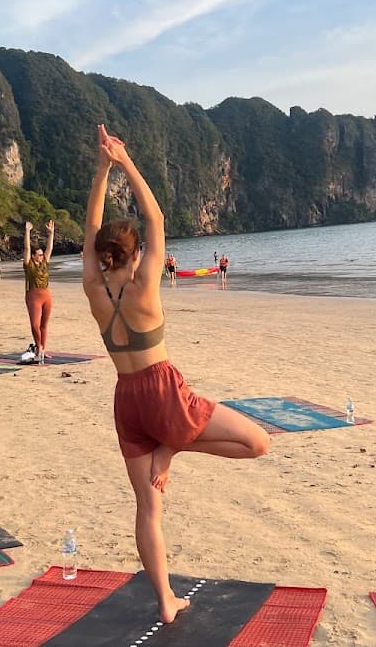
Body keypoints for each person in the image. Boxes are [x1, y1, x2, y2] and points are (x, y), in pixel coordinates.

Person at [82, 124, 270, 624]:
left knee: (148, 508)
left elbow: (91, 228)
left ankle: (165, 602)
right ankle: (175, 445)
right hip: (163, 391)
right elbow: (156, 215)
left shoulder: (93, 288)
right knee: (258, 443)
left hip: (126, 398)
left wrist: (102, 170)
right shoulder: (145, 285)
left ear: (103, 255)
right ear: (138, 254)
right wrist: (124, 162)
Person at [23, 220, 55, 364]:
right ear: (34, 256)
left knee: (44, 325)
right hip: (33, 295)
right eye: (39, 255)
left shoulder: (44, 264)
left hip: (46, 295)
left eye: (42, 255)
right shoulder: (28, 265)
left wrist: (51, 234)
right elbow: (26, 249)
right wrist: (27, 232)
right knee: (35, 325)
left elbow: (50, 248)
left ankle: (43, 349)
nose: (42, 256)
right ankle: (38, 348)